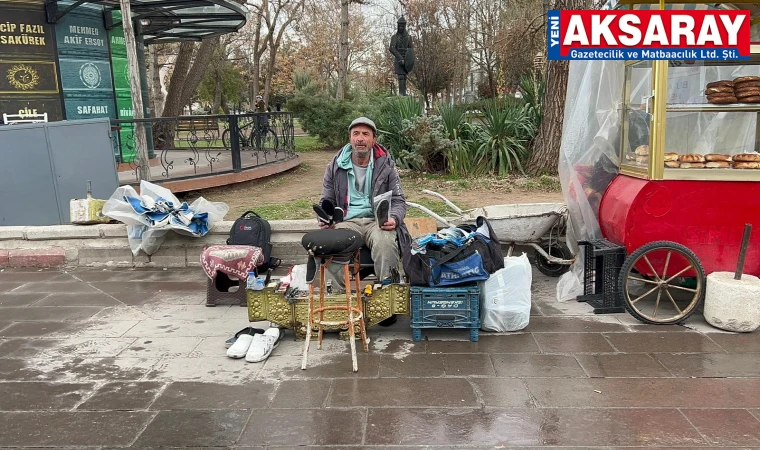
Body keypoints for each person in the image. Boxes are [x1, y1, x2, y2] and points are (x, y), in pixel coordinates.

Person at [318, 117, 411, 287]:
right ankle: (339, 299)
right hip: (347, 222)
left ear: (374, 139)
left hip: (377, 222)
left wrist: (395, 218)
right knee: (332, 242)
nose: (360, 138)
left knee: (385, 242)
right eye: (356, 134)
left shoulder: (387, 165)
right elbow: (327, 199)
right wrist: (325, 218)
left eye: (366, 134)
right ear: (350, 138)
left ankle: (387, 294)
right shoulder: (335, 166)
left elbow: (399, 201)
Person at [388, 16, 414, 96]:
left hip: (405, 59)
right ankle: (401, 94)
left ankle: (403, 93)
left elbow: (410, 49)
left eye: (402, 26)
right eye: (399, 26)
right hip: (399, 59)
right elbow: (392, 48)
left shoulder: (409, 37)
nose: (401, 27)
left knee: (404, 77)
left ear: (404, 26)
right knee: (401, 77)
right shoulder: (394, 37)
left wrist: (407, 59)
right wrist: (400, 58)